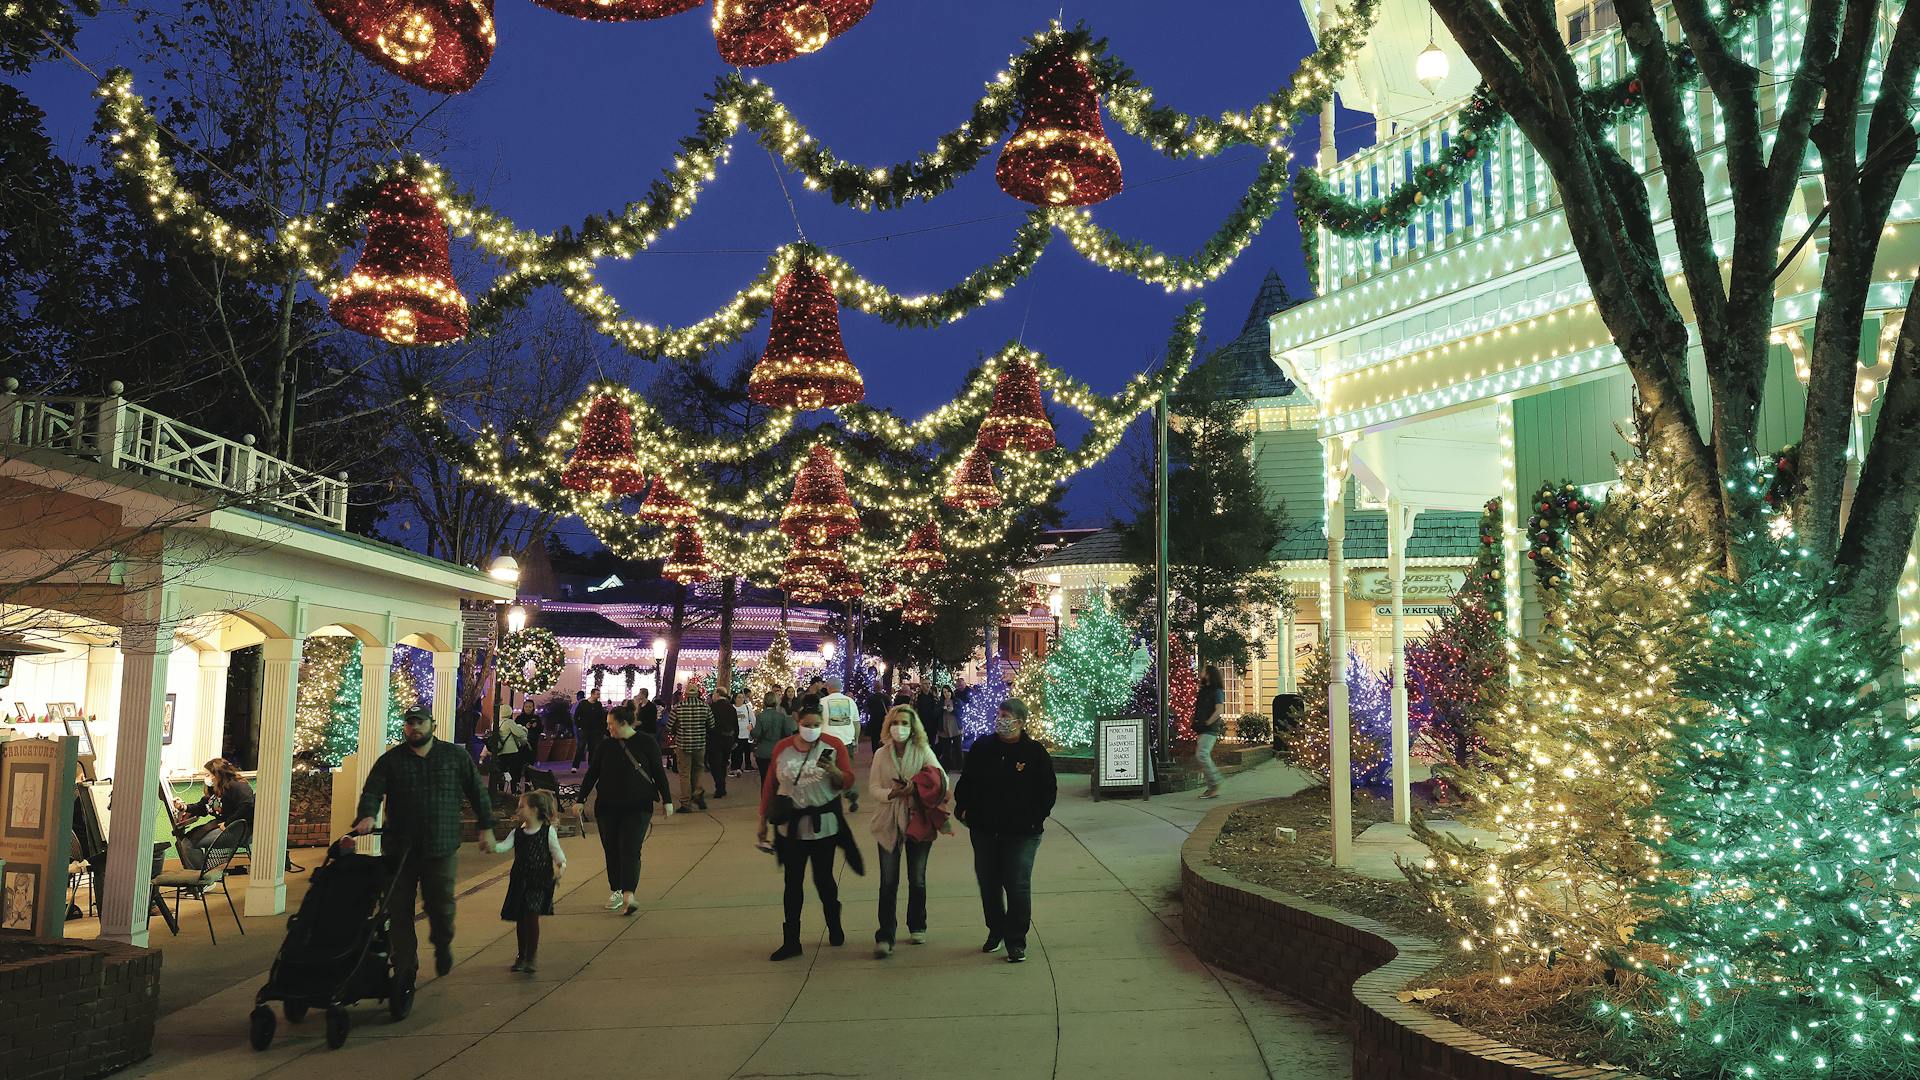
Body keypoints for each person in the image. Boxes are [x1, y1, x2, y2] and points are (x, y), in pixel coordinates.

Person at [354, 708, 494, 1004]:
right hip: (399, 849)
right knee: (398, 911)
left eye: (420, 722)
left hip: (440, 847)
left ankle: (442, 943)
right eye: (410, 723)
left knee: (440, 905)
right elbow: (372, 791)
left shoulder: (453, 757)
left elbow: (476, 791)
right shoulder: (391, 761)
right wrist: (366, 815)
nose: (415, 727)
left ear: (433, 725)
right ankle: (406, 970)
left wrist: (486, 827)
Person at [953, 698, 1056, 964]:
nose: (1001, 720)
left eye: (1006, 716)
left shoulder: (1034, 753)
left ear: (1020, 722)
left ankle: (1016, 940)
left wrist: (1035, 818)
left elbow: (1047, 791)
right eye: (999, 714)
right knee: (989, 884)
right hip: (985, 830)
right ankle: (995, 929)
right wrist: (963, 807)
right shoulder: (983, 748)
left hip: (1022, 833)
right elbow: (967, 782)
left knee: (1017, 884)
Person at [757, 705, 863, 961]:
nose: (812, 729)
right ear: (797, 721)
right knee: (792, 883)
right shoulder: (782, 747)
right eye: (807, 724)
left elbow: (847, 781)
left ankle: (834, 923)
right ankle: (791, 940)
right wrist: (762, 822)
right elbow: (770, 785)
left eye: (816, 725)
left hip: (823, 826)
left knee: (823, 879)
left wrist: (834, 770)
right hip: (790, 828)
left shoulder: (833, 745)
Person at [868, 705, 951, 957]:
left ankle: (917, 924)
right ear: (888, 726)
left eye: (904, 723)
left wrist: (915, 788)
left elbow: (941, 778)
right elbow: (873, 787)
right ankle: (886, 933)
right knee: (888, 880)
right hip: (888, 819)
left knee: (917, 877)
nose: (899, 728)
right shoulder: (881, 754)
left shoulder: (922, 751)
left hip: (918, 819)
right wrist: (891, 794)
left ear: (912, 727)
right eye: (895, 722)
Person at [577, 704, 674, 916]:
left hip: (638, 805)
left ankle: (629, 894)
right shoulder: (605, 746)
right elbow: (592, 774)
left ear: (623, 723)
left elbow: (658, 771)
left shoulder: (646, 742)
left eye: (611, 724)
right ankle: (617, 890)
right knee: (611, 849)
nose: (608, 728)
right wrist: (580, 799)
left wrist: (667, 800)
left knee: (630, 848)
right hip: (607, 807)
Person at [487, 789, 567, 973]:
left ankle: (531, 956)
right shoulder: (518, 833)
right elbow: (503, 847)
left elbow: (559, 856)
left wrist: (560, 869)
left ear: (534, 810)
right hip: (520, 881)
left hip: (538, 882)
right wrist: (492, 846)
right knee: (521, 919)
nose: (518, 810)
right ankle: (521, 954)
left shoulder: (547, 833)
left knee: (531, 916)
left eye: (522, 806)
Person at [171, 757, 255, 870]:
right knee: (184, 842)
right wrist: (183, 807)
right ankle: (202, 876)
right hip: (223, 826)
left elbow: (247, 805)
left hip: (237, 829)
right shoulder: (215, 790)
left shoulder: (237, 786)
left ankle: (202, 879)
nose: (206, 778)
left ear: (218, 774)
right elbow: (202, 807)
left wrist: (228, 824)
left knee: (188, 844)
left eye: (208, 774)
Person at [819, 677, 861, 813]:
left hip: (827, 744)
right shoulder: (850, 702)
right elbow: (856, 723)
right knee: (845, 771)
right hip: (846, 742)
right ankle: (850, 792)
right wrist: (856, 740)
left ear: (828, 688)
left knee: (827, 772)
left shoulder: (822, 702)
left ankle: (830, 800)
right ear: (841, 687)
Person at [670, 683, 712, 812]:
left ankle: (686, 803)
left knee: (684, 774)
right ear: (698, 693)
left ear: (686, 694)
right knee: (698, 770)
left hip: (683, 745)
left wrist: (677, 729)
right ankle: (698, 792)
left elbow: (669, 726)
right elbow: (711, 724)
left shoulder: (678, 707)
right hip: (699, 744)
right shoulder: (705, 707)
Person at [1194, 665, 1228, 799]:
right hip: (1202, 727)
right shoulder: (1204, 690)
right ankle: (1211, 788)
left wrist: (1209, 721)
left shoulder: (1217, 691)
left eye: (1203, 671)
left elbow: (1219, 710)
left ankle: (1216, 782)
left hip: (1210, 728)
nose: (1201, 673)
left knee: (1202, 754)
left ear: (1209, 674)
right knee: (1202, 755)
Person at [489, 705, 534, 794]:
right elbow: (519, 733)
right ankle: (514, 791)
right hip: (511, 751)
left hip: (500, 751)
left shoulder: (495, 723)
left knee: (502, 772)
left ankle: (500, 790)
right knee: (514, 772)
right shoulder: (509, 722)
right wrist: (523, 728)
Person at [752, 692, 795, 783]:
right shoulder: (781, 717)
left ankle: (765, 796)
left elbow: (756, 733)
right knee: (777, 779)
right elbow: (788, 733)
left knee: (764, 779)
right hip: (777, 750)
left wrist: (751, 730)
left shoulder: (760, 716)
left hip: (762, 752)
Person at [707, 688, 737, 798]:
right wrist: (735, 739)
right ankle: (722, 785)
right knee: (723, 763)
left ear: (718, 694)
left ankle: (720, 786)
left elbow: (709, 723)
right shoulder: (731, 708)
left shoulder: (712, 707)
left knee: (715, 764)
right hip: (728, 739)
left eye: (714, 693)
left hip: (715, 739)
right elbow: (735, 724)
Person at [572, 687, 607, 768]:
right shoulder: (583, 704)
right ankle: (575, 765)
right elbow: (576, 715)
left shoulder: (598, 705)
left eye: (599, 694)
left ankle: (591, 765)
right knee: (581, 747)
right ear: (592, 694)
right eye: (597, 694)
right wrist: (579, 726)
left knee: (592, 748)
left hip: (594, 730)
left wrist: (601, 728)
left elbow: (601, 717)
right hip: (584, 729)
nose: (599, 696)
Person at [732, 691, 755, 773]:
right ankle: (736, 767)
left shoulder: (747, 708)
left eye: (742, 697)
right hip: (736, 734)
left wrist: (752, 726)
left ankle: (748, 765)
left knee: (747, 751)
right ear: (734, 699)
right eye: (739, 697)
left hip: (746, 733)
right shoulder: (732, 708)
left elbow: (753, 719)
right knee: (737, 751)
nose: (741, 699)